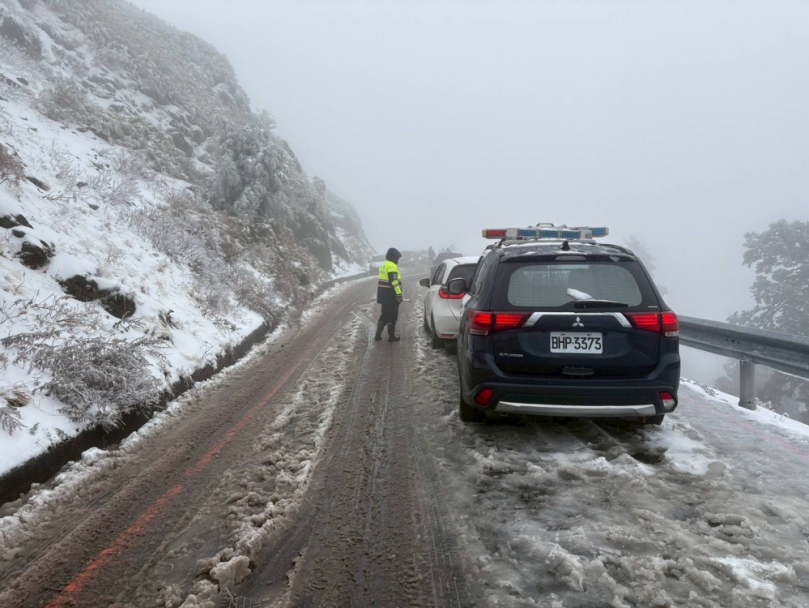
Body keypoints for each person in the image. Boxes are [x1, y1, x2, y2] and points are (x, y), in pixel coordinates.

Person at [376, 247, 403, 342]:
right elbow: (394, 281)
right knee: (392, 315)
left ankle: (377, 335)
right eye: (397, 258)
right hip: (391, 294)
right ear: (393, 257)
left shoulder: (384, 265)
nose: (398, 261)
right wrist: (398, 293)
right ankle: (391, 336)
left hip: (383, 294)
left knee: (385, 314)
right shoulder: (392, 266)